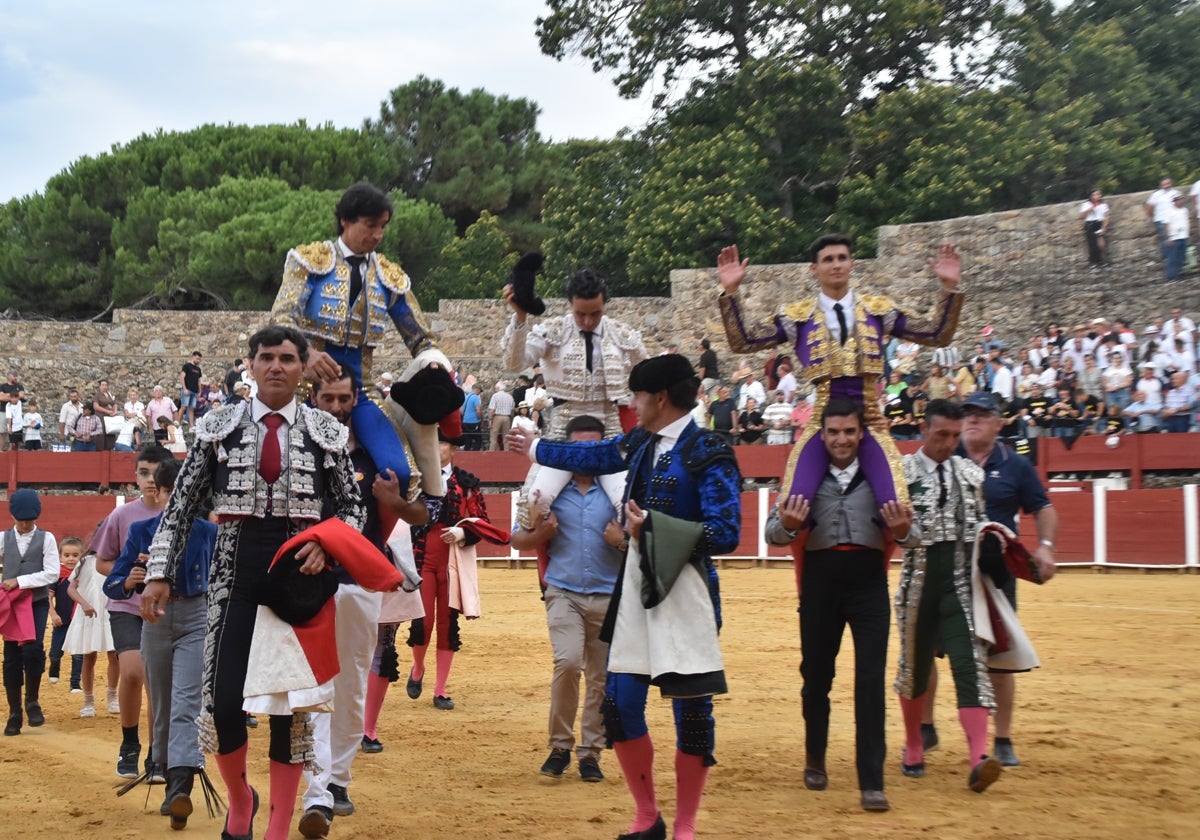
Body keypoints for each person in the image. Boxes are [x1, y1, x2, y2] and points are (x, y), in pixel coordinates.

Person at [507, 355, 742, 840]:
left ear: (658, 399)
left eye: (637, 397)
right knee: (619, 704)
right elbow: (594, 456)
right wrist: (536, 449)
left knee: (693, 716)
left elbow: (727, 532)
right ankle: (647, 817)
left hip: (687, 594)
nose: (632, 407)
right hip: (635, 590)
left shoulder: (710, 450)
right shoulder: (642, 443)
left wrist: (651, 527)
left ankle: (686, 827)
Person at [142, 325, 363, 840]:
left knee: (289, 710)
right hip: (231, 573)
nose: (276, 366)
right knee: (222, 704)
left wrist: (329, 542)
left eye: (288, 358)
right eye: (266, 357)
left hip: (298, 576)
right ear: (250, 364)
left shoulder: (324, 431)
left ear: (304, 365)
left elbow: (353, 508)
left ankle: (277, 829)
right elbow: (179, 508)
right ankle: (242, 800)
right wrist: (158, 574)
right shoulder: (217, 427)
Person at [717, 233, 962, 513]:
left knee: (897, 507)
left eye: (842, 258)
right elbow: (743, 341)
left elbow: (937, 334)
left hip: (869, 419)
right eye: (828, 259)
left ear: (852, 264)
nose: (836, 265)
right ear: (814, 268)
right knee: (792, 508)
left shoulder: (878, 309)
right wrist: (732, 293)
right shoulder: (798, 315)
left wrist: (949, 289)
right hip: (822, 421)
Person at [764, 398, 917, 813]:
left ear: (861, 433)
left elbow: (912, 533)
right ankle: (815, 758)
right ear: (823, 434)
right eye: (833, 432)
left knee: (870, 681)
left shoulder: (882, 475)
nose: (842, 440)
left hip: (869, 584)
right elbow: (772, 534)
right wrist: (789, 526)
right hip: (821, 582)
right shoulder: (803, 477)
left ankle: (872, 780)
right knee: (816, 676)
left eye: (849, 432)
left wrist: (904, 533)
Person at [298, 369, 429, 839]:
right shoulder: (302, 450)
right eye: (327, 398)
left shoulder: (375, 458)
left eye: (343, 399)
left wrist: (393, 500)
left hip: (356, 583)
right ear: (312, 397)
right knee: (309, 686)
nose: (335, 407)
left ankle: (336, 780)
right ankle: (318, 786)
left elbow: (421, 513)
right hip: (305, 581)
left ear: (356, 401)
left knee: (349, 683)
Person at [271, 181, 460, 499]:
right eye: (371, 225)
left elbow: (422, 339)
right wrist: (306, 354)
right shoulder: (308, 261)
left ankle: (372, 543)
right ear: (346, 220)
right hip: (306, 389)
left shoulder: (389, 277)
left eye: (383, 227)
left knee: (399, 472)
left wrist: (433, 364)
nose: (377, 235)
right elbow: (281, 318)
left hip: (361, 392)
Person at [920, 391, 1058, 768]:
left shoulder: (1016, 465)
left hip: (994, 573)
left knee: (999, 658)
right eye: (968, 413)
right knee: (928, 650)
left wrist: (1045, 546)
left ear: (1000, 423)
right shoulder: (945, 455)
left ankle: (1003, 738)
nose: (973, 420)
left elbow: (1043, 508)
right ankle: (926, 726)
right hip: (945, 568)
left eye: (983, 414)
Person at [893, 400, 1003, 792]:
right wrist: (903, 531)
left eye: (955, 436)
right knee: (915, 668)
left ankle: (978, 759)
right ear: (924, 429)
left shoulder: (971, 473)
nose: (949, 443)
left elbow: (979, 526)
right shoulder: (901, 472)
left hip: (959, 585)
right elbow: (891, 533)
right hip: (917, 585)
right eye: (941, 435)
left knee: (970, 666)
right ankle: (912, 746)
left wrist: (994, 543)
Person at [511, 414, 624, 783]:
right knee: (569, 662)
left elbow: (640, 540)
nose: (586, 454)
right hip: (563, 591)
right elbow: (517, 539)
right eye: (579, 447)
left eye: (594, 446)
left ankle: (590, 753)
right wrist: (540, 532)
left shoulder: (619, 490)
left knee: (601, 678)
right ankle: (560, 745)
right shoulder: (551, 491)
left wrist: (620, 540)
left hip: (610, 593)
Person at [106, 458, 216, 828]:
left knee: (186, 701)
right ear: (161, 491)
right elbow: (112, 581)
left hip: (196, 617)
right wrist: (128, 581)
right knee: (163, 702)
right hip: (153, 621)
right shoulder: (141, 530)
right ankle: (168, 774)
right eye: (173, 492)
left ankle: (179, 786)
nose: (179, 500)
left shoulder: (208, 532)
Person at [98, 443, 174, 779]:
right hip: (127, 605)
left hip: (167, 608)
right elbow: (102, 563)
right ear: (135, 476)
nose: (150, 480)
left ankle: (158, 752)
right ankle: (130, 744)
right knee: (132, 672)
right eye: (143, 472)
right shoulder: (122, 515)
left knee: (158, 683)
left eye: (156, 473)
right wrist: (128, 575)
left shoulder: (181, 516)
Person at [502, 266, 648, 439]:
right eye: (580, 314)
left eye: (596, 314)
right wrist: (520, 317)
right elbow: (513, 365)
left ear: (604, 305)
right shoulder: (553, 331)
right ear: (570, 304)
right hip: (562, 431)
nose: (588, 321)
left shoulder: (622, 334)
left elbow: (650, 379)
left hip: (610, 432)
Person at [405, 431, 491, 712]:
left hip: (453, 561)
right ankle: (418, 668)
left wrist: (463, 532)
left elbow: (483, 522)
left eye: (441, 441)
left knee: (447, 624)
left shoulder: (466, 483)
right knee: (423, 622)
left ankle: (440, 689)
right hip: (421, 558)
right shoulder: (416, 479)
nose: (435, 446)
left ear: (453, 447)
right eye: (431, 440)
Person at [1, 489, 59, 736]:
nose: (25, 525)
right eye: (20, 520)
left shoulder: (47, 538)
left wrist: (19, 581)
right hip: (12, 604)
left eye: (29, 520)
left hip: (35, 601)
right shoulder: (3, 538)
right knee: (12, 656)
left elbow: (52, 573)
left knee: (34, 650)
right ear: (12, 516)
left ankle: (32, 701)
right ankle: (15, 712)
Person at [63, 545, 119, 719]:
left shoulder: (118, 561)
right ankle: (88, 701)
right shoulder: (85, 562)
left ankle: (112, 697)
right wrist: (84, 603)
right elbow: (71, 589)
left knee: (114, 654)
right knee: (89, 656)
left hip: (112, 612)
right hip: (89, 613)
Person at [47, 536, 84, 690]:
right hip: (61, 621)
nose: (70, 559)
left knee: (78, 655)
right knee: (56, 653)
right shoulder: (57, 575)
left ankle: (75, 683)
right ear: (60, 556)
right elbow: (47, 598)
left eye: (75, 556)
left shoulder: (83, 575)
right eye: (66, 555)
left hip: (80, 621)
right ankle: (54, 667)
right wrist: (53, 615)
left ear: (82, 556)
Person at [1145, 177, 1181, 259]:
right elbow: (1150, 207)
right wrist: (1154, 217)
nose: (1166, 186)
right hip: (1161, 220)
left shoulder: (1176, 193)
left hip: (1175, 220)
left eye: (1168, 183)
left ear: (1171, 183)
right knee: (1165, 240)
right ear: (1161, 186)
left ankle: (1177, 257)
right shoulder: (1156, 195)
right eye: (1164, 184)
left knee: (1177, 238)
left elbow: (1180, 205)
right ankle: (1168, 258)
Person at [1079, 189, 1110, 269]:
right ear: (1091, 196)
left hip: (1099, 223)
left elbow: (1106, 217)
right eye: (1095, 194)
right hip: (1090, 224)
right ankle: (1094, 263)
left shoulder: (1103, 205)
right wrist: (1089, 210)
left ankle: (1105, 261)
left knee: (1101, 244)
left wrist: (1104, 228)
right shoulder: (1086, 204)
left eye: (1099, 194)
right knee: (1092, 245)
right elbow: (1081, 217)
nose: (1098, 196)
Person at [1164, 193, 1190, 282]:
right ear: (1174, 201)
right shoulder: (1169, 211)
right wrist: (1169, 237)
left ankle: (1177, 275)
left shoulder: (1185, 210)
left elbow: (1187, 221)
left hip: (1183, 236)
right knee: (1173, 258)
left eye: (1182, 199)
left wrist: (1187, 234)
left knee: (1181, 257)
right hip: (1174, 238)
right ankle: (1171, 277)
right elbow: (1167, 225)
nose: (1181, 201)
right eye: (1179, 200)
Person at [93, 379, 119, 451]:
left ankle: (109, 449)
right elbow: (96, 407)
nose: (104, 387)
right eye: (103, 385)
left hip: (110, 418)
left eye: (105, 385)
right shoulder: (97, 395)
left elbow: (114, 403)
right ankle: (100, 451)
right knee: (101, 435)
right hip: (101, 417)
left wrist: (115, 411)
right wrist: (107, 411)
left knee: (110, 434)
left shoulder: (109, 394)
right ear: (100, 386)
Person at [488, 381, 514, 451]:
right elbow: (512, 410)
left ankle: (492, 452)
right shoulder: (510, 396)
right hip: (507, 417)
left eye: (495, 388)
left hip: (497, 417)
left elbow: (492, 409)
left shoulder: (495, 396)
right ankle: (506, 452)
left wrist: (490, 419)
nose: (495, 389)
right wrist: (511, 419)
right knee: (506, 437)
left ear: (498, 388)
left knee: (493, 437)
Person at [179, 350, 204, 426]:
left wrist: (199, 392)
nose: (198, 360)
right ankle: (177, 423)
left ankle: (192, 425)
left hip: (195, 391)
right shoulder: (186, 366)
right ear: (193, 357)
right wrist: (184, 388)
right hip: (187, 390)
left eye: (199, 359)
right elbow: (182, 377)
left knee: (192, 408)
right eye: (197, 358)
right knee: (184, 406)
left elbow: (199, 381)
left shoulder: (198, 369)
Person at [462, 383, 483, 451]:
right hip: (473, 422)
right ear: (477, 389)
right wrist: (481, 419)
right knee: (478, 440)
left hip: (465, 421)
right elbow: (478, 411)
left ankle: (466, 455)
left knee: (468, 441)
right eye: (480, 391)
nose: (480, 393)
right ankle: (475, 454)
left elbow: (461, 410)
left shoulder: (466, 397)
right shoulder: (475, 397)